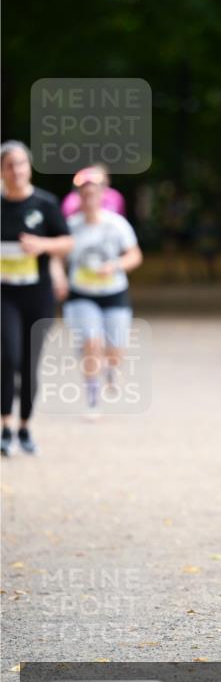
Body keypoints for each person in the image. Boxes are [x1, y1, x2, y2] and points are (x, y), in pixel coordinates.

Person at [1, 140, 73, 456]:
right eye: (9, 165)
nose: (16, 171)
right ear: (1, 171)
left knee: (29, 364)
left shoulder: (45, 203)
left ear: (28, 168)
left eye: (21, 164)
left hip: (37, 294)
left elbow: (67, 242)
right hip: (4, 294)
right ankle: (5, 427)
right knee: (7, 358)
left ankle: (25, 428)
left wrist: (42, 245)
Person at [61, 167, 143, 416]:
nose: (89, 198)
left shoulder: (116, 224)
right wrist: (58, 277)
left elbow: (134, 255)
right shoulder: (70, 226)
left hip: (113, 292)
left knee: (115, 351)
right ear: (78, 196)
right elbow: (57, 256)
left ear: (102, 195)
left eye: (93, 193)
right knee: (91, 342)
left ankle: (111, 368)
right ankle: (93, 398)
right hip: (81, 293)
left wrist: (115, 266)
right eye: (84, 194)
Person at [61, 164, 126, 218]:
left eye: (92, 185)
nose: (89, 189)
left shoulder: (114, 197)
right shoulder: (71, 200)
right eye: (84, 186)